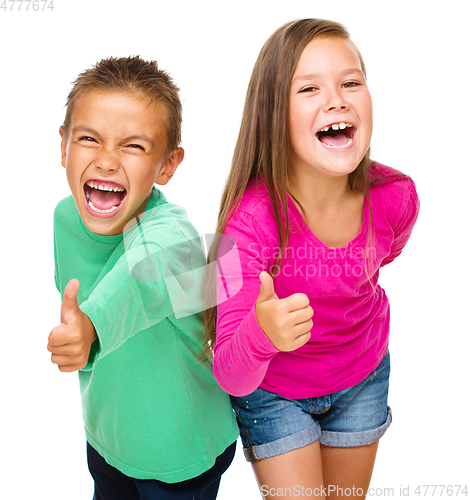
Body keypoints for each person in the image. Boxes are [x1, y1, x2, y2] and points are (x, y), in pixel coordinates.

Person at [205, 19, 419, 500]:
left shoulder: (398, 196)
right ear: (273, 115)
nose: (337, 99)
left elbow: (381, 258)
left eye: (350, 82)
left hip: (361, 375)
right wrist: (264, 333)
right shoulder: (246, 224)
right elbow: (230, 373)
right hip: (273, 392)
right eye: (309, 88)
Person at [47, 56, 238, 500]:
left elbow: (142, 276)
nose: (107, 160)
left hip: (178, 454)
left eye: (133, 146)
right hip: (107, 438)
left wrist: (90, 326)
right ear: (63, 146)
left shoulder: (171, 233)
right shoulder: (64, 218)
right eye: (89, 139)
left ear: (167, 165)